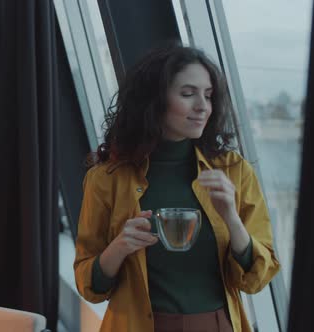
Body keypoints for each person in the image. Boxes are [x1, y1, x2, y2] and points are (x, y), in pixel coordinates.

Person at [73, 44, 280, 332]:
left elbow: (258, 277)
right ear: (154, 100)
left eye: (208, 96)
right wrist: (118, 247)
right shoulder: (107, 178)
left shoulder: (233, 171)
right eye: (187, 94)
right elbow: (89, 285)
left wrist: (232, 220)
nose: (202, 107)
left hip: (215, 325)